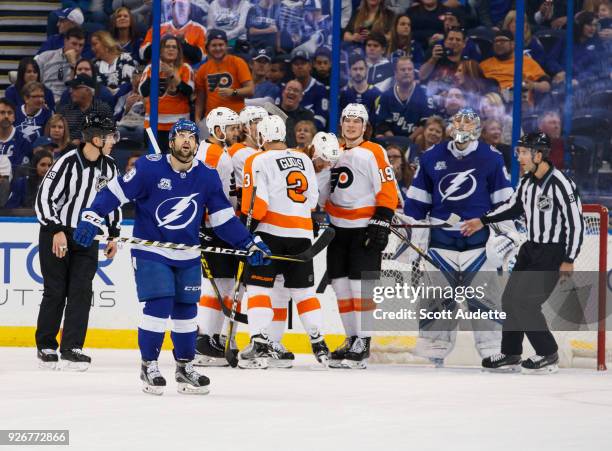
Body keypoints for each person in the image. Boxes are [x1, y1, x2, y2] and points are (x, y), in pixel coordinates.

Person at [72, 119, 271, 394]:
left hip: (187, 253)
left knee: (187, 312)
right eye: (181, 136)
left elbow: (223, 219)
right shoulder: (148, 168)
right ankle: (149, 365)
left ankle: (185, 367)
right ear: (172, 142)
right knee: (159, 305)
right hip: (151, 250)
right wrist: (92, 217)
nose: (186, 141)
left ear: (197, 143)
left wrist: (249, 243)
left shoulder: (208, 176)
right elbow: (114, 193)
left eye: (191, 136)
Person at [462, 132, 584, 374]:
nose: (519, 157)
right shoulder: (527, 182)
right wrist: (482, 221)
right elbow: (513, 206)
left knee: (526, 304)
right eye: (519, 152)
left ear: (539, 155)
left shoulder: (561, 183)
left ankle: (548, 353)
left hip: (552, 253)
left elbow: (576, 224)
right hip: (530, 249)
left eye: (524, 152)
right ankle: (511, 353)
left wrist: (568, 259)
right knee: (509, 300)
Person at [403, 108, 513, 367]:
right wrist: (415, 237)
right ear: (451, 126)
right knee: (437, 299)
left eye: (468, 124)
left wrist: (507, 236)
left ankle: (492, 350)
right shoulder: (431, 157)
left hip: (480, 245)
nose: (462, 129)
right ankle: (433, 349)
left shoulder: (491, 158)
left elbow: (505, 204)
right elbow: (417, 205)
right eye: (458, 123)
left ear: (476, 130)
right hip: (441, 243)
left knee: (485, 299)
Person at [239, 114, 330, 369]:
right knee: (303, 292)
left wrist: (246, 228)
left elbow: (256, 206)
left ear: (262, 136)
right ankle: (319, 341)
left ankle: (259, 342)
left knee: (259, 289)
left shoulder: (257, 159)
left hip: (269, 234)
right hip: (302, 236)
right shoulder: (303, 158)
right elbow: (313, 200)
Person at [34, 113, 121, 371]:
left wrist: (113, 234)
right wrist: (55, 230)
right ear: (96, 139)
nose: (114, 141)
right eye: (110, 136)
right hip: (57, 234)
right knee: (56, 290)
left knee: (81, 292)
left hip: (88, 236)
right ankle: (46, 345)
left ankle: (72, 347)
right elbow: (44, 198)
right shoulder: (66, 163)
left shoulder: (110, 167)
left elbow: (114, 202)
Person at [321, 103, 398, 369]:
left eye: (357, 121)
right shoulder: (334, 153)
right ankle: (351, 337)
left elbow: (388, 186)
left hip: (363, 229)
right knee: (341, 287)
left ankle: (363, 342)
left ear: (364, 126)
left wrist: (382, 220)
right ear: (341, 124)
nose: (351, 125)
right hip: (337, 231)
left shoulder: (373, 151)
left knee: (360, 288)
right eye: (347, 121)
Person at [193, 107, 242, 366]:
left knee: (221, 284)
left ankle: (208, 339)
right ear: (219, 130)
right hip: (216, 226)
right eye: (232, 128)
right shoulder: (214, 155)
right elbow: (205, 193)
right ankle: (203, 341)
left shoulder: (213, 151)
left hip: (216, 225)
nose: (236, 131)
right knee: (219, 285)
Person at [139, 35, 194, 151]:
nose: (171, 49)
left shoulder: (186, 68)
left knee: (175, 161)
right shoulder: (150, 68)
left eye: (174, 47)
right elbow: (143, 91)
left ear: (179, 51)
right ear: (161, 50)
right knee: (153, 160)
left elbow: (189, 92)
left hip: (179, 126)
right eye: (167, 46)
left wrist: (172, 75)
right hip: (152, 124)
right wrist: (155, 72)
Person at [194, 29, 254, 122]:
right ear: (208, 47)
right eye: (214, 45)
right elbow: (200, 98)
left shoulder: (238, 62)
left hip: (235, 118)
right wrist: (197, 119)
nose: (218, 48)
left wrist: (233, 92)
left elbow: (250, 90)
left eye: (221, 45)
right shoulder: (203, 69)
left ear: (226, 46)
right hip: (212, 120)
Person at [480, 30, 551, 108]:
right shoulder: (484, 65)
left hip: (516, 99)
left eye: (503, 41)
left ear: (513, 44)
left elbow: (547, 86)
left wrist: (533, 85)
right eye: (496, 41)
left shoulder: (526, 62)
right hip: (490, 101)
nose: (498, 44)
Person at [374, 56, 433, 138]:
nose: (407, 72)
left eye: (409, 69)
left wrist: (408, 140)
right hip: (391, 139)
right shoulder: (386, 96)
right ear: (395, 73)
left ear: (413, 72)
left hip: (414, 139)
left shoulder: (423, 94)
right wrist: (395, 141)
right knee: (379, 136)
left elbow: (425, 123)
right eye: (403, 69)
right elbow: (382, 124)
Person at [140, 0, 206, 66]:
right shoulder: (157, 29)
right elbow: (143, 54)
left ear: (189, 10)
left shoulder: (200, 29)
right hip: (158, 71)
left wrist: (182, 43)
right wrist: (162, 41)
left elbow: (201, 57)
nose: (181, 9)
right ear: (172, 10)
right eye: (178, 6)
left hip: (185, 72)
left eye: (184, 6)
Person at [57, 74, 114, 145]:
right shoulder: (64, 111)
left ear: (88, 90)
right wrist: (69, 143)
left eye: (75, 88)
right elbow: (56, 136)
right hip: (67, 150)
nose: (71, 91)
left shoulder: (103, 109)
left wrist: (85, 142)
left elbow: (109, 136)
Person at [35, 27, 86, 102]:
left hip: (69, 103)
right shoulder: (46, 57)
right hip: (44, 100)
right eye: (74, 44)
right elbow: (35, 82)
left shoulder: (84, 65)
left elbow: (77, 90)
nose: (77, 49)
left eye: (81, 45)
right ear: (65, 41)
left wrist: (73, 65)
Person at [289, 49, 328, 129]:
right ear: (292, 68)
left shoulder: (320, 89)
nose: (299, 67)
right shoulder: (287, 89)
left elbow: (321, 121)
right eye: (296, 64)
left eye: (303, 63)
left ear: (310, 66)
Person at [90, 31, 136, 95]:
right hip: (102, 102)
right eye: (91, 46)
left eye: (95, 44)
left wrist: (113, 92)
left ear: (105, 42)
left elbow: (129, 83)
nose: (92, 48)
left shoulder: (125, 58)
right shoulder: (94, 64)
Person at [339, 54, 381, 121]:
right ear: (349, 71)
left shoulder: (376, 94)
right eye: (355, 69)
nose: (358, 72)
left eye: (361, 69)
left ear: (366, 70)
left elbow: (378, 122)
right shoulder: (343, 93)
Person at [278, 80, 317, 148]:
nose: (291, 92)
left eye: (296, 91)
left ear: (301, 96)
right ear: (283, 92)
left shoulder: (307, 116)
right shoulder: (271, 112)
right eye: (289, 89)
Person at [0, 98, 33, 172]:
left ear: (14, 117)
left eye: (9, 113)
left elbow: (23, 172)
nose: (6, 116)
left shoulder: (24, 141)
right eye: (2, 112)